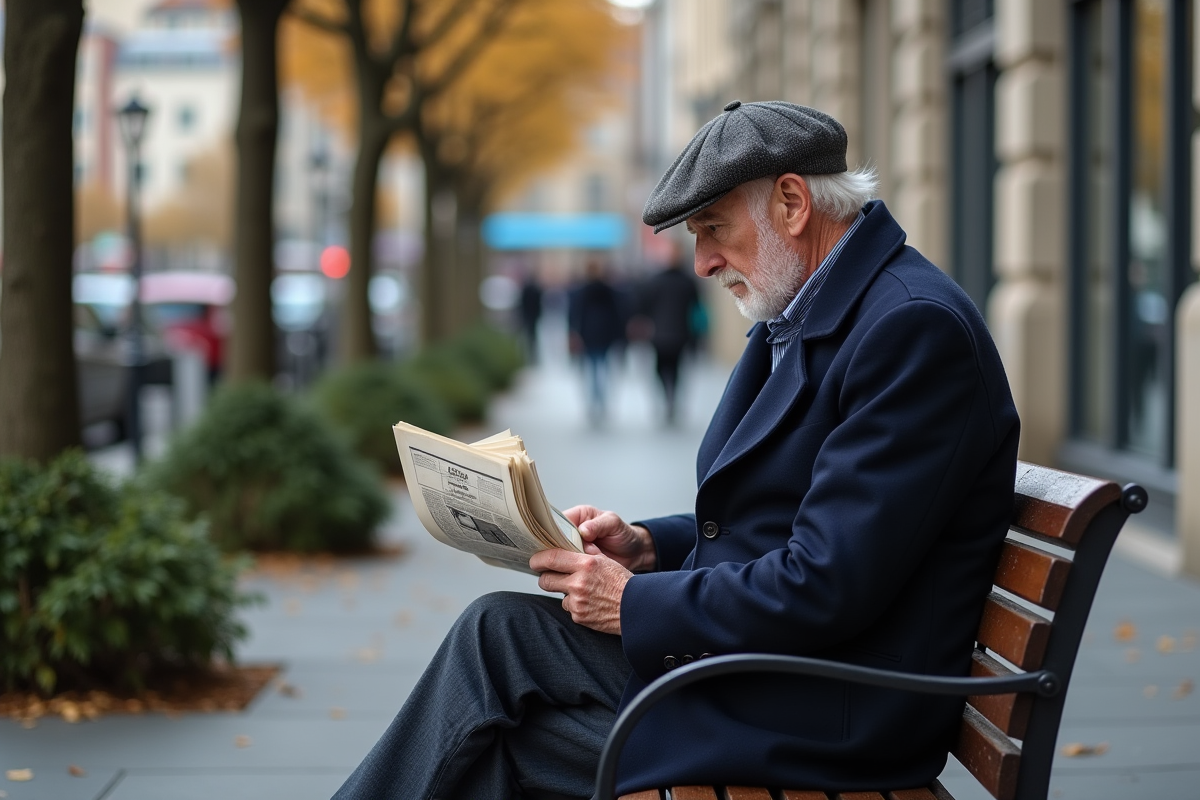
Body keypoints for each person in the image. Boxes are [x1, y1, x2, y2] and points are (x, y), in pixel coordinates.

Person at [331, 101, 1019, 799]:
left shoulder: (910, 329)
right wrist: (648, 548)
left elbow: (827, 582)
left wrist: (631, 605)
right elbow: (799, 525)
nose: (703, 262)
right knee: (497, 632)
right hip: (766, 668)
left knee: (499, 738)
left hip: (831, 707)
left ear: (791, 202)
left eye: (713, 229)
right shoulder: (819, 313)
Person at [636, 260, 701, 424]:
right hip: (680, 333)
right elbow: (696, 305)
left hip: (659, 334)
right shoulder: (687, 281)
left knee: (660, 368)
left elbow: (644, 305)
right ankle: (671, 397)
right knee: (676, 368)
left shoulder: (655, 281)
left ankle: (667, 395)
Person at [567, 258, 625, 424]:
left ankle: (594, 402)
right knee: (603, 367)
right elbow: (617, 313)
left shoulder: (581, 291)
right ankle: (601, 401)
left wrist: (573, 333)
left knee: (592, 369)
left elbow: (574, 314)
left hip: (588, 335)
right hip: (605, 334)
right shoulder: (609, 290)